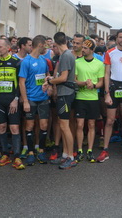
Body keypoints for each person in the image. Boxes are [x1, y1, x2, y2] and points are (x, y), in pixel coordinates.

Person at [98, 29, 122, 162]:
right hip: (114, 87)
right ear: (116, 39)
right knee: (109, 121)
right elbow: (106, 74)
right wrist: (107, 93)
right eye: (120, 37)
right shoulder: (109, 53)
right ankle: (105, 150)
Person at [0, 38, 24, 170]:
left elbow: (20, 83)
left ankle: (17, 156)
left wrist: (16, 98)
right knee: (1, 127)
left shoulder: (16, 62)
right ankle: (5, 155)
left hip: (11, 100)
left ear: (8, 48)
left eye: (0, 47)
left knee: (14, 128)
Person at [18, 35, 52, 166]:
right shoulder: (26, 61)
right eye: (45, 45)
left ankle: (41, 150)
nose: (46, 48)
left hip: (43, 98)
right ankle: (31, 152)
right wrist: (25, 101)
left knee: (43, 125)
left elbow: (47, 76)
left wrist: (48, 84)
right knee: (29, 126)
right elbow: (21, 83)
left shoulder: (43, 60)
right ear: (40, 45)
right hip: (31, 99)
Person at [46, 32, 78, 169]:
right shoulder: (67, 54)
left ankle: (71, 157)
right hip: (64, 93)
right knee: (62, 124)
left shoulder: (65, 55)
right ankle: (65, 155)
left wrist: (50, 81)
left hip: (66, 93)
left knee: (65, 126)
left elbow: (64, 77)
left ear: (57, 43)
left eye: (54, 46)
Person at [74, 38, 104, 163]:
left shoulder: (99, 64)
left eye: (86, 48)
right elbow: (74, 80)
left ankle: (90, 150)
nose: (83, 49)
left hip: (93, 98)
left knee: (91, 124)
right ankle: (80, 150)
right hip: (80, 97)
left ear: (92, 50)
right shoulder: (77, 62)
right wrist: (83, 83)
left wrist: (94, 86)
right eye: (83, 47)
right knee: (80, 125)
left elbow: (101, 82)